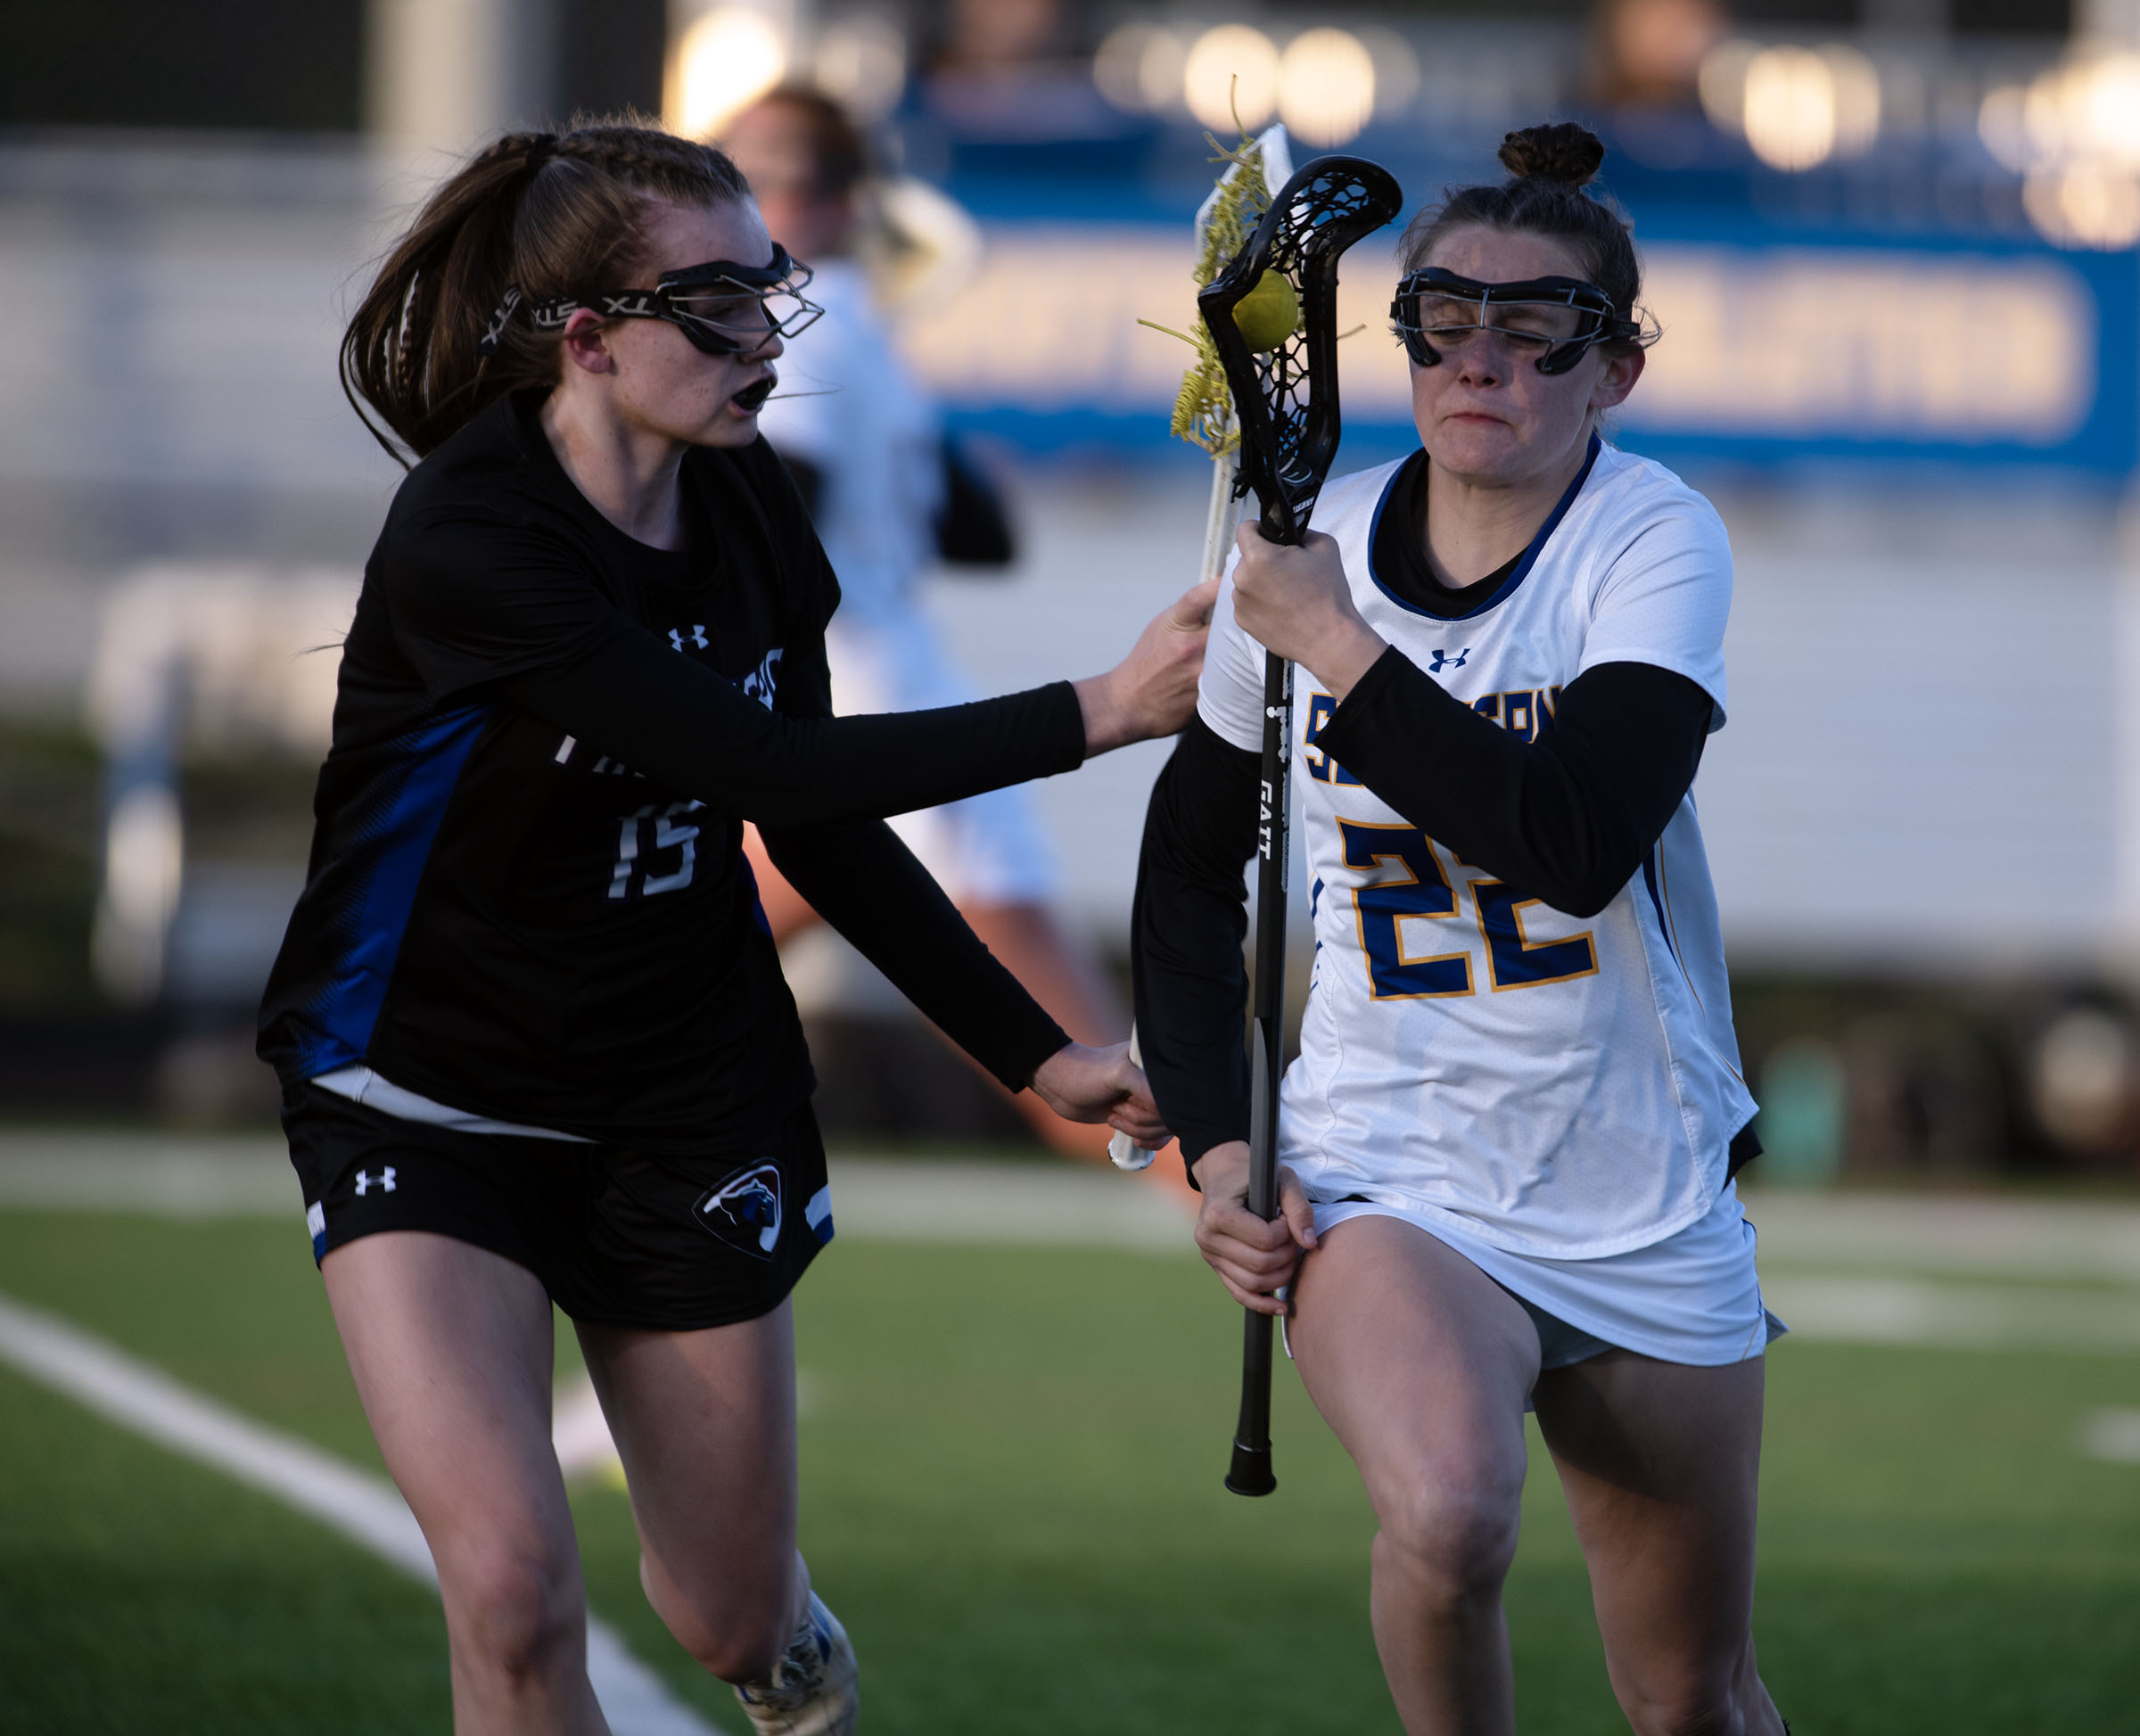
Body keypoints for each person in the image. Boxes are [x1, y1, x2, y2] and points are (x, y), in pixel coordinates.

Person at [257, 119, 1208, 1736]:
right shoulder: (475, 540)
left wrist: (1038, 1052)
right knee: (507, 1589)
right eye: (716, 306)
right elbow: (756, 758)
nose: (766, 335)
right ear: (590, 338)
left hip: (684, 1098)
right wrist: (1101, 709)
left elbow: (817, 817)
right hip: (420, 1094)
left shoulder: (749, 500)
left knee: (725, 1610)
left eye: (769, 289)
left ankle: (789, 1651)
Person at [1133, 122, 1789, 1736]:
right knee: (1448, 1511)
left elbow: (1570, 842)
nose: (1476, 358)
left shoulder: (1650, 541)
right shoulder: (1305, 552)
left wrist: (1341, 649)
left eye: (1532, 330)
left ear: (1614, 369)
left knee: (1691, 1698)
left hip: (1639, 1184)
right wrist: (1221, 1145)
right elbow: (1184, 871)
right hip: (1396, 1171)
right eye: (1438, 317)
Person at [721, 86, 1131, 1159]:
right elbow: (984, 531)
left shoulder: (793, 320)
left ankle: (1266, 1226)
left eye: (793, 178)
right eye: (751, 173)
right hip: (890, 695)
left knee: (1078, 1067)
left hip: (854, 702)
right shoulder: (857, 328)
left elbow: (783, 510)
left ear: (844, 198)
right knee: (659, 952)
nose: (775, 201)